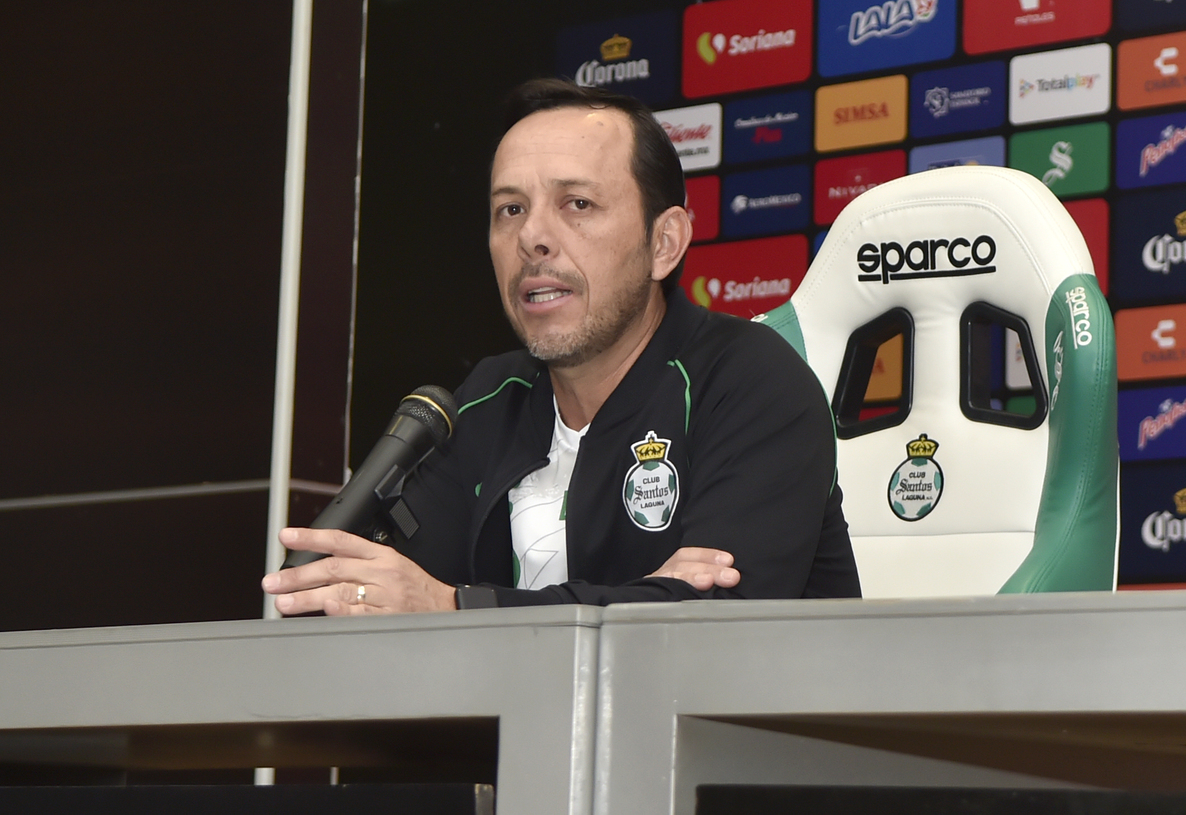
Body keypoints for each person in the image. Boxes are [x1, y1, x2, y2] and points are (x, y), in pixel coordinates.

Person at [263, 78, 860, 614]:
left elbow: (710, 626)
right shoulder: (484, 403)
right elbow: (393, 599)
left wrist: (456, 606)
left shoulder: (751, 381)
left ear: (664, 243)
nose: (532, 236)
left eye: (578, 204)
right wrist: (646, 596)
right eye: (510, 209)